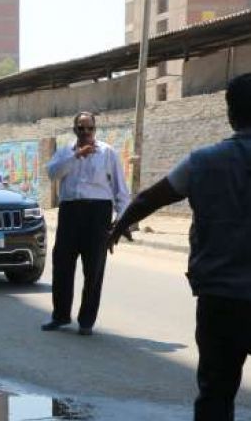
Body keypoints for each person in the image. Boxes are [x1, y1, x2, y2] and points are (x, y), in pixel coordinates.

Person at [108, 73, 251, 421]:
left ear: (231, 114)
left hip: (220, 300)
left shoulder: (202, 162)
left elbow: (149, 198)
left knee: (216, 392)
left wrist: (119, 225)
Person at [42, 112, 130, 336]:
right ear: (74, 130)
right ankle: (60, 316)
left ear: (95, 129)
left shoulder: (107, 152)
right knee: (62, 265)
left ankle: (86, 321)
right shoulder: (65, 151)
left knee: (94, 269)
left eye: (89, 128)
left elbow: (121, 189)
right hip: (70, 212)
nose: (85, 133)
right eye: (81, 129)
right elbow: (52, 173)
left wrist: (122, 220)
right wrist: (76, 156)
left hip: (97, 213)